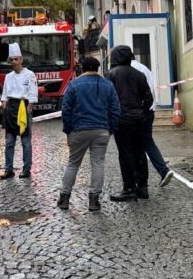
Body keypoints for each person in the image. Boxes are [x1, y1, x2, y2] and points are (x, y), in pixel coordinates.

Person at [58, 57, 121, 211]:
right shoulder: (108, 85)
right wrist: (110, 129)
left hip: (79, 130)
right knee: (98, 164)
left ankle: (64, 198)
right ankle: (94, 200)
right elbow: (115, 110)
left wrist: (68, 130)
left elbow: (66, 110)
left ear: (83, 68)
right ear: (97, 69)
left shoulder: (74, 85)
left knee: (73, 163)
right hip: (101, 130)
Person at [105, 45, 153, 202]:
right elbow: (148, 99)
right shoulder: (139, 75)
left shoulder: (111, 74)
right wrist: (142, 113)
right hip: (138, 119)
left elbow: (108, 100)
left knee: (125, 153)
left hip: (122, 120)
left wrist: (112, 118)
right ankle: (143, 187)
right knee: (140, 152)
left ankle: (129, 188)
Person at [130, 57, 174, 187]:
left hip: (137, 111)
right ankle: (163, 171)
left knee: (134, 146)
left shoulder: (130, 70)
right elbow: (152, 90)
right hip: (149, 110)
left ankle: (140, 179)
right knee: (148, 143)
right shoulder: (145, 69)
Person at [0, 43, 38, 180]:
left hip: (24, 106)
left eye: (16, 59)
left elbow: (33, 91)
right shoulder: (8, 76)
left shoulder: (30, 75)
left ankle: (26, 168)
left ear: (21, 59)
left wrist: (30, 104)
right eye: (12, 60)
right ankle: (8, 169)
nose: (14, 62)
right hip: (11, 109)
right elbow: (4, 93)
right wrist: (4, 102)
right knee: (9, 142)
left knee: (25, 141)